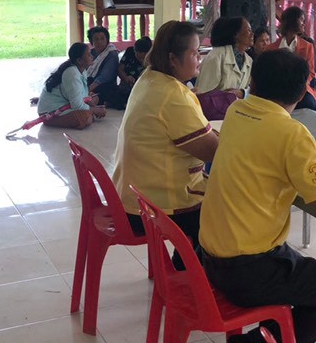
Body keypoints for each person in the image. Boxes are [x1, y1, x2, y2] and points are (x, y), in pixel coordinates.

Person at [198, 49, 316, 343]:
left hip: (209, 258)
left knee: (307, 271)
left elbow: (272, 159)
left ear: (253, 80)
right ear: (303, 91)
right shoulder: (292, 134)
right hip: (247, 270)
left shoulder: (236, 111)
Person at [113, 20, 220, 241]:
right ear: (172, 59)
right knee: (228, 206)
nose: (200, 58)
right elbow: (213, 151)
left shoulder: (149, 77)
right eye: (194, 53)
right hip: (153, 208)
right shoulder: (172, 94)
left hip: (132, 196)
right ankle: (190, 260)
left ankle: (188, 258)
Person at [196, 16, 254, 119]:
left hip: (236, 115)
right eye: (248, 30)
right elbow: (202, 94)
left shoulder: (249, 61)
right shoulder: (216, 56)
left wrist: (242, 93)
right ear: (236, 34)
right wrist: (226, 96)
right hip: (212, 118)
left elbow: (251, 91)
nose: (252, 34)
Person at [38, 42, 106, 129]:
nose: (92, 56)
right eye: (88, 55)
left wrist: (94, 107)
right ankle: (54, 121)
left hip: (67, 103)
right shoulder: (72, 73)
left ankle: (88, 112)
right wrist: (94, 110)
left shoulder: (82, 70)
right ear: (79, 61)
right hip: (50, 112)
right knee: (85, 118)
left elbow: (83, 95)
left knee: (95, 98)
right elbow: (77, 105)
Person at [277, 7, 316, 111]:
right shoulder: (272, 48)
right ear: (292, 20)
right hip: (277, 89)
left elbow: (310, 73)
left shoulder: (307, 46)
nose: (303, 24)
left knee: (309, 103)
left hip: (300, 89)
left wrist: (296, 87)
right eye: (301, 20)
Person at [100, 37, 151, 111]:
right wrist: (126, 78)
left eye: (143, 58)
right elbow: (120, 69)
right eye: (139, 58)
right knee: (106, 89)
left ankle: (121, 103)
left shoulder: (153, 57)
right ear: (135, 51)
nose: (141, 60)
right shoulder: (130, 52)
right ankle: (124, 103)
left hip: (142, 87)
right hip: (126, 86)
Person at [82, 26, 121, 105]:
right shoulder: (91, 52)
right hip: (90, 82)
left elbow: (104, 77)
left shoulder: (112, 54)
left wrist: (87, 90)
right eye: (96, 39)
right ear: (91, 41)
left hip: (104, 85)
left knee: (107, 92)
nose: (99, 42)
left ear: (107, 40)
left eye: (102, 39)